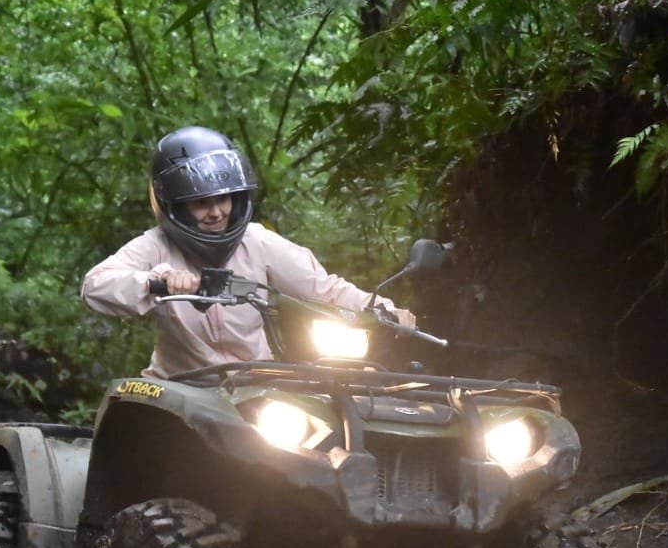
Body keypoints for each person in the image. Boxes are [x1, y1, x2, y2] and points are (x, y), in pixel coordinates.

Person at [81, 125, 418, 378]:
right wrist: (158, 282)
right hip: (181, 387)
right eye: (201, 203)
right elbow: (95, 286)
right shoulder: (156, 246)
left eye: (223, 199)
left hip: (256, 383)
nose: (216, 212)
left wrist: (383, 308)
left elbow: (323, 288)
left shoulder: (257, 242)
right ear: (176, 206)